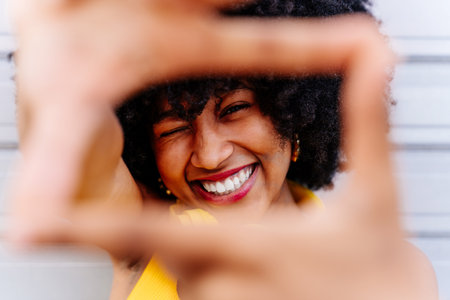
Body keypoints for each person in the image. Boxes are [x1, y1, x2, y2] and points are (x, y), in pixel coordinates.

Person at [8, 0, 438, 299]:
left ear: (295, 112)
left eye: (234, 109)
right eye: (173, 129)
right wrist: (54, 84)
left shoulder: (389, 271)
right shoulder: (145, 241)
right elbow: (85, 157)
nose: (209, 155)